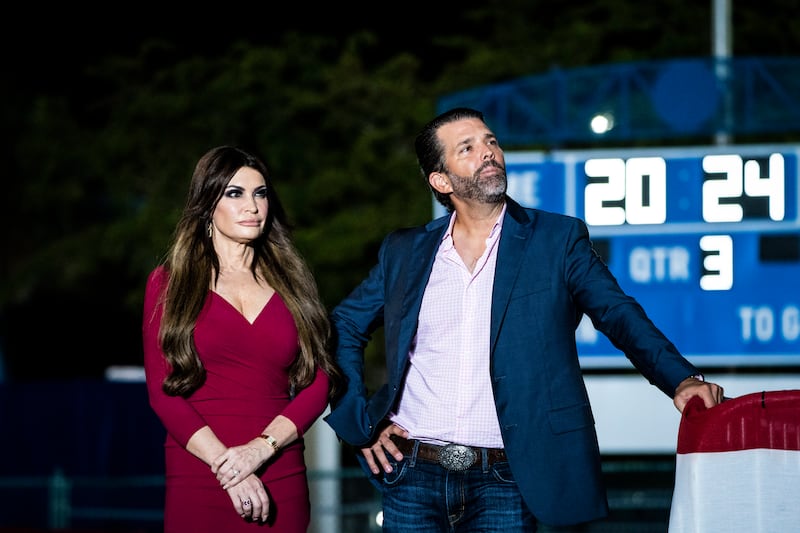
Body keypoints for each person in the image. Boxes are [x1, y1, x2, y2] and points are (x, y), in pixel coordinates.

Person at [323, 107, 726, 532]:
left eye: (491, 141)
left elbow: (617, 313)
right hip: (412, 474)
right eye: (468, 148)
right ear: (440, 181)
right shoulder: (404, 251)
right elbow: (344, 325)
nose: (488, 152)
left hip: (508, 477)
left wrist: (681, 380)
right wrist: (360, 422)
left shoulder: (556, 239)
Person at [142, 145, 341, 532]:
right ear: (207, 205)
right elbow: (161, 391)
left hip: (279, 468)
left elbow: (319, 381)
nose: (252, 206)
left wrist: (260, 450)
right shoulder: (170, 283)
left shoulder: (292, 281)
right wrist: (227, 466)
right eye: (235, 193)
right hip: (200, 471)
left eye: (260, 193)